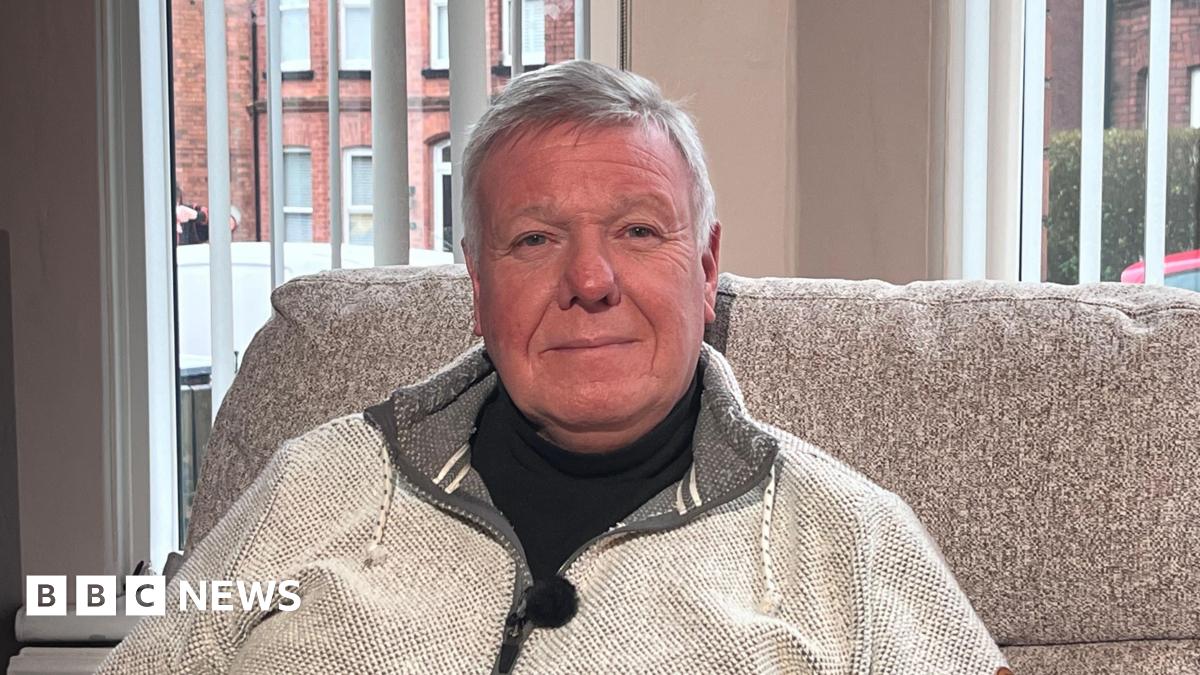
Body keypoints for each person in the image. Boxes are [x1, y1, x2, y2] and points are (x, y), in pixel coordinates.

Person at [100, 60, 1010, 674]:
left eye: (638, 230)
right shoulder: (316, 482)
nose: (590, 280)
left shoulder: (849, 538)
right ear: (478, 284)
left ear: (705, 270)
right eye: (535, 239)